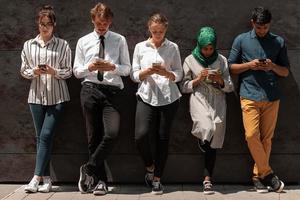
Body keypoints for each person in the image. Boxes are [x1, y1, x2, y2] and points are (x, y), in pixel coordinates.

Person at [228, 6, 289, 193]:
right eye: (259, 27)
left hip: (272, 97)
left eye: (265, 27)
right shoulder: (242, 40)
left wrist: (272, 66)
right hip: (249, 95)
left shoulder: (278, 42)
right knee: (251, 135)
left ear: (270, 24)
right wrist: (249, 65)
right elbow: (230, 67)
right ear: (252, 23)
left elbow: (285, 72)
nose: (262, 31)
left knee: (267, 140)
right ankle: (269, 174)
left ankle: (258, 176)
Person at [73, 2, 131, 195]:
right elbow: (76, 71)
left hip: (112, 92)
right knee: (93, 137)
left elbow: (127, 69)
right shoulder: (83, 41)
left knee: (112, 133)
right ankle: (100, 182)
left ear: (110, 21)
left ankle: (88, 168)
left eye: (105, 23)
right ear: (93, 20)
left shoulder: (119, 40)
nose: (102, 27)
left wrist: (112, 67)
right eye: (99, 23)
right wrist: (90, 67)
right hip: (89, 90)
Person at [20, 5, 72, 193]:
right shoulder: (28, 45)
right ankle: (48, 179)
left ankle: (35, 178)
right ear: (38, 24)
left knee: (46, 135)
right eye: (42, 24)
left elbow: (68, 72)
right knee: (42, 138)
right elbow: (23, 70)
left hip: (57, 96)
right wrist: (34, 71)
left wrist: (54, 71)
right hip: (35, 96)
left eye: (48, 24)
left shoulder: (63, 45)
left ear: (54, 25)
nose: (45, 28)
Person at [131, 13, 183, 195]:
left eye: (160, 31)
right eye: (154, 31)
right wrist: (147, 71)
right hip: (146, 95)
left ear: (166, 29)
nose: (157, 34)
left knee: (163, 138)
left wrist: (166, 73)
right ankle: (150, 166)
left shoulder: (172, 47)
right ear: (149, 29)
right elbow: (134, 74)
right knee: (140, 135)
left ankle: (157, 180)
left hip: (169, 98)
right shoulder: (140, 47)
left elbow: (179, 73)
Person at [181, 27, 233, 194]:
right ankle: (202, 139)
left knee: (215, 137)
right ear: (199, 45)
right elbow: (184, 87)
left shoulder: (222, 60)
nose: (208, 52)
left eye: (211, 48)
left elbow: (230, 86)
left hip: (218, 99)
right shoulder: (190, 59)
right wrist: (198, 79)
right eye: (205, 48)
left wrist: (220, 81)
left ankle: (207, 179)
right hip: (200, 98)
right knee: (207, 128)